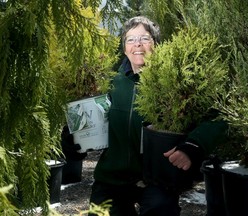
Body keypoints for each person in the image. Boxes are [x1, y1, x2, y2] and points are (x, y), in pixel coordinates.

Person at [88, 16, 228, 216]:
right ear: (124, 47)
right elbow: (91, 120)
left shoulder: (175, 81)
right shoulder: (111, 82)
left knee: (159, 209)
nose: (137, 44)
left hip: (158, 179)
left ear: (156, 44)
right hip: (112, 177)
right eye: (130, 39)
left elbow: (219, 117)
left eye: (144, 38)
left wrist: (193, 146)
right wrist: (75, 138)